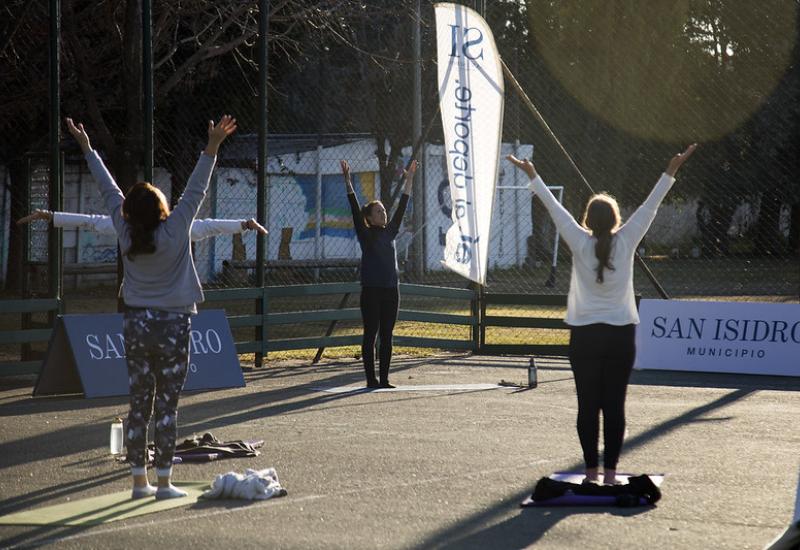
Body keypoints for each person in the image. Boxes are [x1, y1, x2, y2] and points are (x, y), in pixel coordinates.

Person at [65, 114, 237, 499]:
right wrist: (211, 147)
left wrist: (87, 148)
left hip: (135, 324)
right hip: (174, 325)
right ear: (161, 207)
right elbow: (196, 190)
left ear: (129, 213)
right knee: (168, 407)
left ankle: (139, 482)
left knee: (138, 402)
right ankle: (164, 482)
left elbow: (108, 189)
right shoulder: (176, 229)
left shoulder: (125, 232)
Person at [508, 144, 697, 485]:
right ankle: (610, 475)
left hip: (585, 335)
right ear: (615, 219)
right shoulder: (627, 240)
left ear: (587, 220)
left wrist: (533, 175)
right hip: (621, 334)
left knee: (587, 406)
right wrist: (670, 171)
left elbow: (555, 210)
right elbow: (649, 208)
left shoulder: (578, 241)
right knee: (614, 406)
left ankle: (591, 474)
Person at [341, 159, 417, 389]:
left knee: (387, 334)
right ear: (370, 218)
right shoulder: (366, 235)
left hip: (391, 290)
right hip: (371, 291)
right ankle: (371, 379)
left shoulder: (390, 232)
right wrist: (347, 181)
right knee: (371, 333)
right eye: (379, 211)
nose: (384, 213)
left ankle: (384, 379)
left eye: (384, 210)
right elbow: (355, 210)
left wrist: (410, 178)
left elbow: (402, 205)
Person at [17, 209, 268, 240]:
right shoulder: (130, 227)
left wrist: (244, 224)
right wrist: (50, 216)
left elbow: (209, 226)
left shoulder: (177, 229)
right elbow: (91, 222)